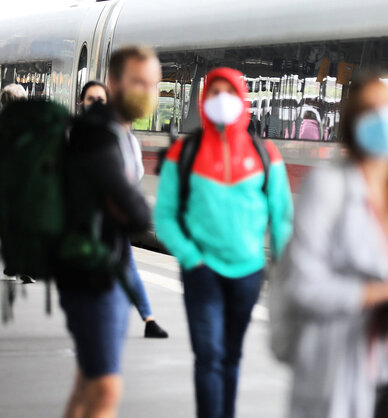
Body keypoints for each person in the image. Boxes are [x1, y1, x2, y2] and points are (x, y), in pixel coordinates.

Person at [275, 71, 388, 418]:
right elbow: (305, 286)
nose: (383, 119)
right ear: (353, 124)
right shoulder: (327, 186)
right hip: (337, 371)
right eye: (369, 110)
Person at [154, 67, 294, 418]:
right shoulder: (184, 152)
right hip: (202, 272)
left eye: (228, 92)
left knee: (230, 357)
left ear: (242, 99)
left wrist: (287, 270)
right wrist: (190, 257)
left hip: (248, 274)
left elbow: (282, 216)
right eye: (213, 93)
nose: (221, 100)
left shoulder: (266, 154)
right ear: (203, 100)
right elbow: (165, 216)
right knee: (208, 356)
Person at [57, 46, 159, 418]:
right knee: (106, 388)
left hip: (107, 268)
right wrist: (125, 205)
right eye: (138, 82)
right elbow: (135, 213)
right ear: (114, 83)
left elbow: (129, 206)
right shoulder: (96, 134)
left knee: (88, 383)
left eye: (153, 84)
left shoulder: (120, 136)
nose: (147, 92)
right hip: (90, 275)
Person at [78, 79, 169, 339]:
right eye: (91, 100)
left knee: (126, 264)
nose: (96, 104)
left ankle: (148, 318)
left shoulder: (122, 136)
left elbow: (136, 171)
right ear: (82, 104)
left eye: (101, 100)